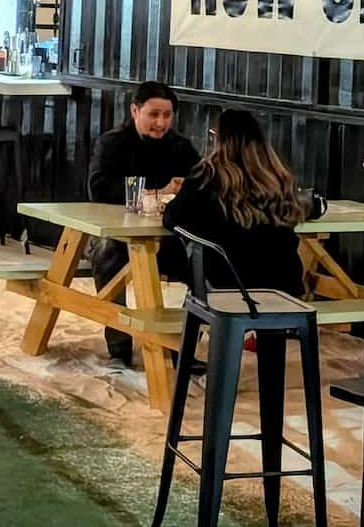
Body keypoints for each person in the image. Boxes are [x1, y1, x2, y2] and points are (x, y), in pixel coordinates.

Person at [86, 80, 200, 363]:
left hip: (168, 234)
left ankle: (181, 349)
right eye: (154, 114)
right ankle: (119, 347)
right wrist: (156, 192)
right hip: (116, 233)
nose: (161, 122)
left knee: (203, 263)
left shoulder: (181, 147)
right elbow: (98, 188)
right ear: (135, 110)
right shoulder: (111, 143)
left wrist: (187, 188)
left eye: (167, 115)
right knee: (106, 254)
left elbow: (202, 185)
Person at [160, 107, 307, 295]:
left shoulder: (207, 175)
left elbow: (172, 218)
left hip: (229, 285)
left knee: (177, 255)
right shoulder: (279, 178)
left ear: (218, 140)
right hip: (286, 286)